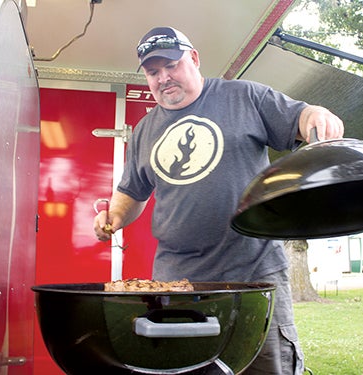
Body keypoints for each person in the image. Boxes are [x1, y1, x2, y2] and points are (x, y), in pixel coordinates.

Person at [94, 26, 344, 374]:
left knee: (268, 364)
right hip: (178, 280)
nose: (163, 78)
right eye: (153, 72)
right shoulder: (145, 130)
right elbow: (131, 192)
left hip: (254, 271)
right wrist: (115, 216)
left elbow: (300, 118)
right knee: (183, 366)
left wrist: (316, 115)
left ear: (193, 59)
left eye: (171, 66)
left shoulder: (244, 97)